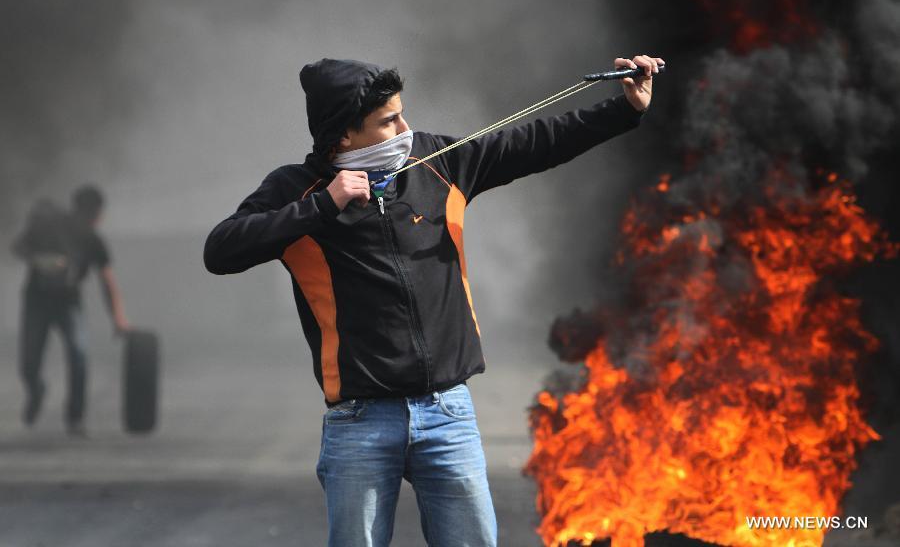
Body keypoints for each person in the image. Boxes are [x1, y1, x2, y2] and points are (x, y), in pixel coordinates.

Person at [204, 54, 663, 546]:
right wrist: (323, 204)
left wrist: (624, 109)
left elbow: (535, 143)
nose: (406, 127)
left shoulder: (440, 163)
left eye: (402, 113)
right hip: (359, 422)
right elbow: (221, 251)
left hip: (448, 414)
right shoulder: (298, 189)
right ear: (343, 137)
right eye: (388, 121)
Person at [12, 185, 130, 436]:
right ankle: (36, 390)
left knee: (78, 355)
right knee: (29, 361)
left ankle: (75, 417)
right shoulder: (47, 226)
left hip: (68, 302)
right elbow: (18, 246)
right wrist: (38, 259)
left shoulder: (92, 239)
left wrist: (118, 318)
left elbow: (106, 280)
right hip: (37, 300)